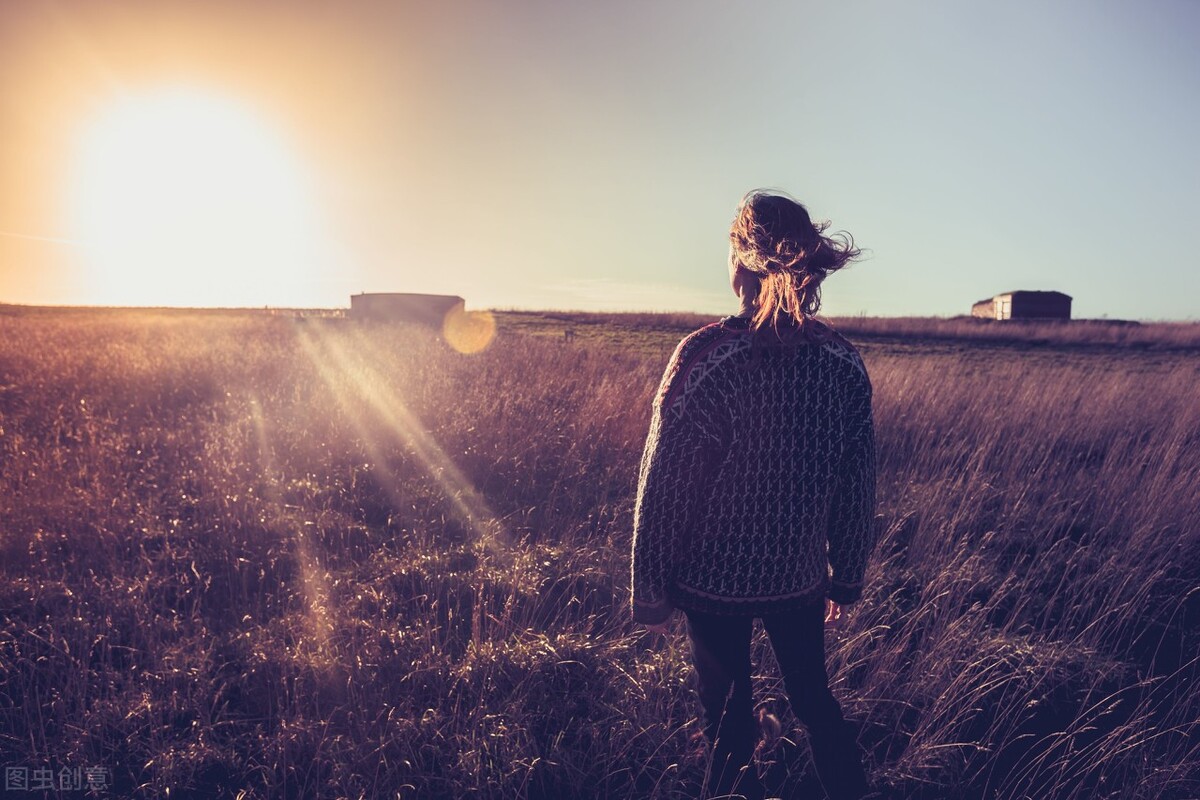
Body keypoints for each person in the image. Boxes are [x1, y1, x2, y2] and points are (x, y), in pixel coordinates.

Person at [631, 190, 876, 800]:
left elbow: (665, 488)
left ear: (740, 265)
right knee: (815, 703)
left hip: (713, 585)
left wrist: (651, 591)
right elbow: (856, 485)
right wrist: (844, 577)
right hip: (798, 578)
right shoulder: (843, 365)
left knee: (726, 725)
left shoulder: (705, 358)